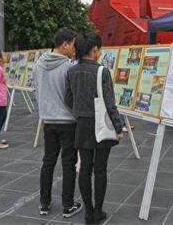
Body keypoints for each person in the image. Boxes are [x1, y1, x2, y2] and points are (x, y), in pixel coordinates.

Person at [65, 32, 124, 224]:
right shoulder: (102, 71)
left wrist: (79, 110)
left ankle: (88, 212)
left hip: (81, 125)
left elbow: (68, 99)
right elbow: (110, 103)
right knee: (100, 170)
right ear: (95, 49)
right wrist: (118, 126)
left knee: (84, 170)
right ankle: (98, 211)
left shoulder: (71, 71)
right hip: (100, 126)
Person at [33, 28, 82, 218]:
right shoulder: (69, 68)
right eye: (73, 45)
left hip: (48, 121)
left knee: (48, 162)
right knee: (68, 164)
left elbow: (36, 91)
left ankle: (44, 204)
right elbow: (72, 97)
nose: (75, 50)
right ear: (65, 45)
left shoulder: (38, 65)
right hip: (68, 122)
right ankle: (68, 205)